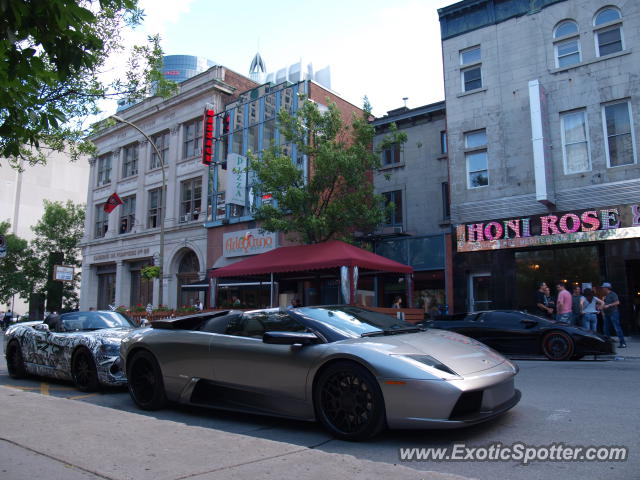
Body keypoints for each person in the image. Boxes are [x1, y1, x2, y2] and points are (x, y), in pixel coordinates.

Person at [601, 282, 626, 348]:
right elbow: (604, 304)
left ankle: (623, 343)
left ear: (606, 288)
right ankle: (608, 344)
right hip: (607, 314)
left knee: (617, 328)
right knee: (606, 329)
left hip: (613, 313)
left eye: (603, 287)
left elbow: (617, 302)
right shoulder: (605, 295)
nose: (602, 289)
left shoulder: (613, 294)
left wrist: (609, 305)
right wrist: (601, 306)